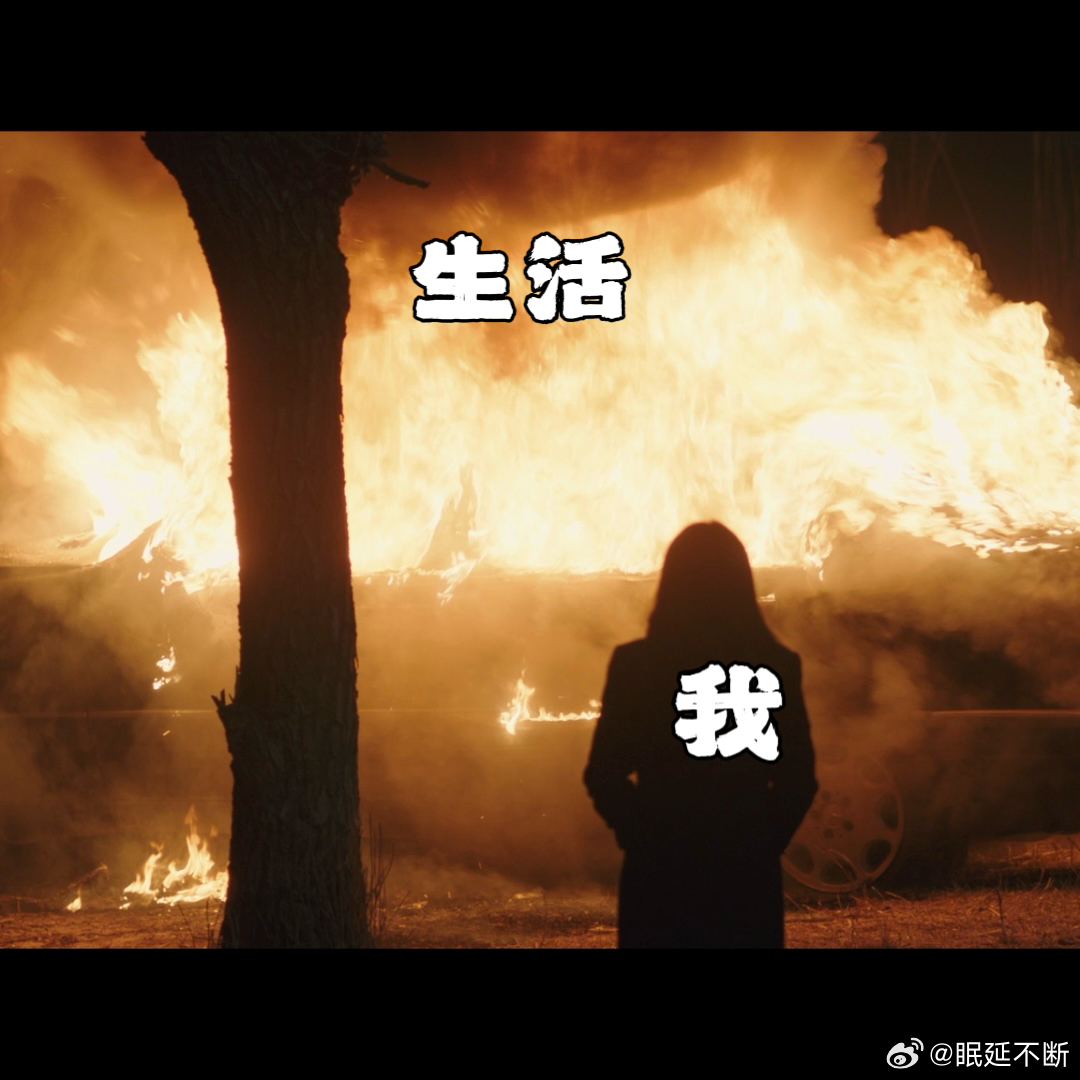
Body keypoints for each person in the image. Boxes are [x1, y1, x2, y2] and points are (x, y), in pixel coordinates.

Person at [584, 521, 817, 948]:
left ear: (671, 583)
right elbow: (798, 778)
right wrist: (762, 842)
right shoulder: (776, 665)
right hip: (745, 878)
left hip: (659, 876)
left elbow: (603, 773)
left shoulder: (636, 665)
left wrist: (641, 834)